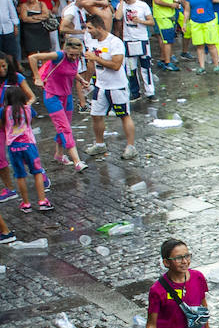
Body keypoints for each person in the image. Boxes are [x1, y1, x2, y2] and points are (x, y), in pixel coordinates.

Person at [27, 37, 86, 172]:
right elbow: (33, 58)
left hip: (67, 96)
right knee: (64, 128)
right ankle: (77, 162)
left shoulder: (76, 58)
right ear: (66, 51)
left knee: (65, 126)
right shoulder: (58, 55)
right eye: (71, 54)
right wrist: (37, 77)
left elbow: (71, 71)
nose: (74, 57)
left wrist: (81, 80)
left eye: (77, 55)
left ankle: (59, 154)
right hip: (52, 96)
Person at [84, 14, 137, 160]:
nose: (87, 31)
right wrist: (87, 80)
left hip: (117, 87)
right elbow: (90, 63)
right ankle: (100, 144)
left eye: (90, 28)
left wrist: (96, 58)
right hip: (101, 86)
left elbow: (116, 65)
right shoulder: (91, 41)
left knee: (124, 116)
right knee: (95, 115)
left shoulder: (115, 42)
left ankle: (131, 146)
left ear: (99, 27)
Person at [1, 86, 49, 212]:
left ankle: (26, 203)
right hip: (29, 145)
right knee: (37, 172)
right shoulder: (27, 109)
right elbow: (30, 121)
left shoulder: (3, 111)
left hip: (13, 147)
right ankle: (42, 201)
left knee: (20, 175)